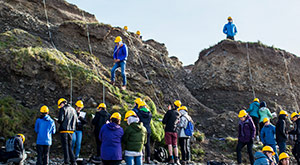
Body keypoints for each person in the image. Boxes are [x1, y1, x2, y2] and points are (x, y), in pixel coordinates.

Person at [57, 98, 78, 165]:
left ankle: (66, 161)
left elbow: (61, 120)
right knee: (69, 146)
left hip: (64, 130)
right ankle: (73, 161)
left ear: (61, 103)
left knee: (65, 147)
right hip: (71, 131)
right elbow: (76, 121)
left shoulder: (63, 109)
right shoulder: (73, 110)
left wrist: (57, 120)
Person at [162, 100, 181, 164]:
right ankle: (177, 159)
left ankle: (171, 158)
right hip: (175, 131)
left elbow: (164, 121)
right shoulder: (179, 114)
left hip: (168, 130)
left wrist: (168, 111)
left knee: (169, 144)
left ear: (174, 105)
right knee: (175, 145)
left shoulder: (169, 112)